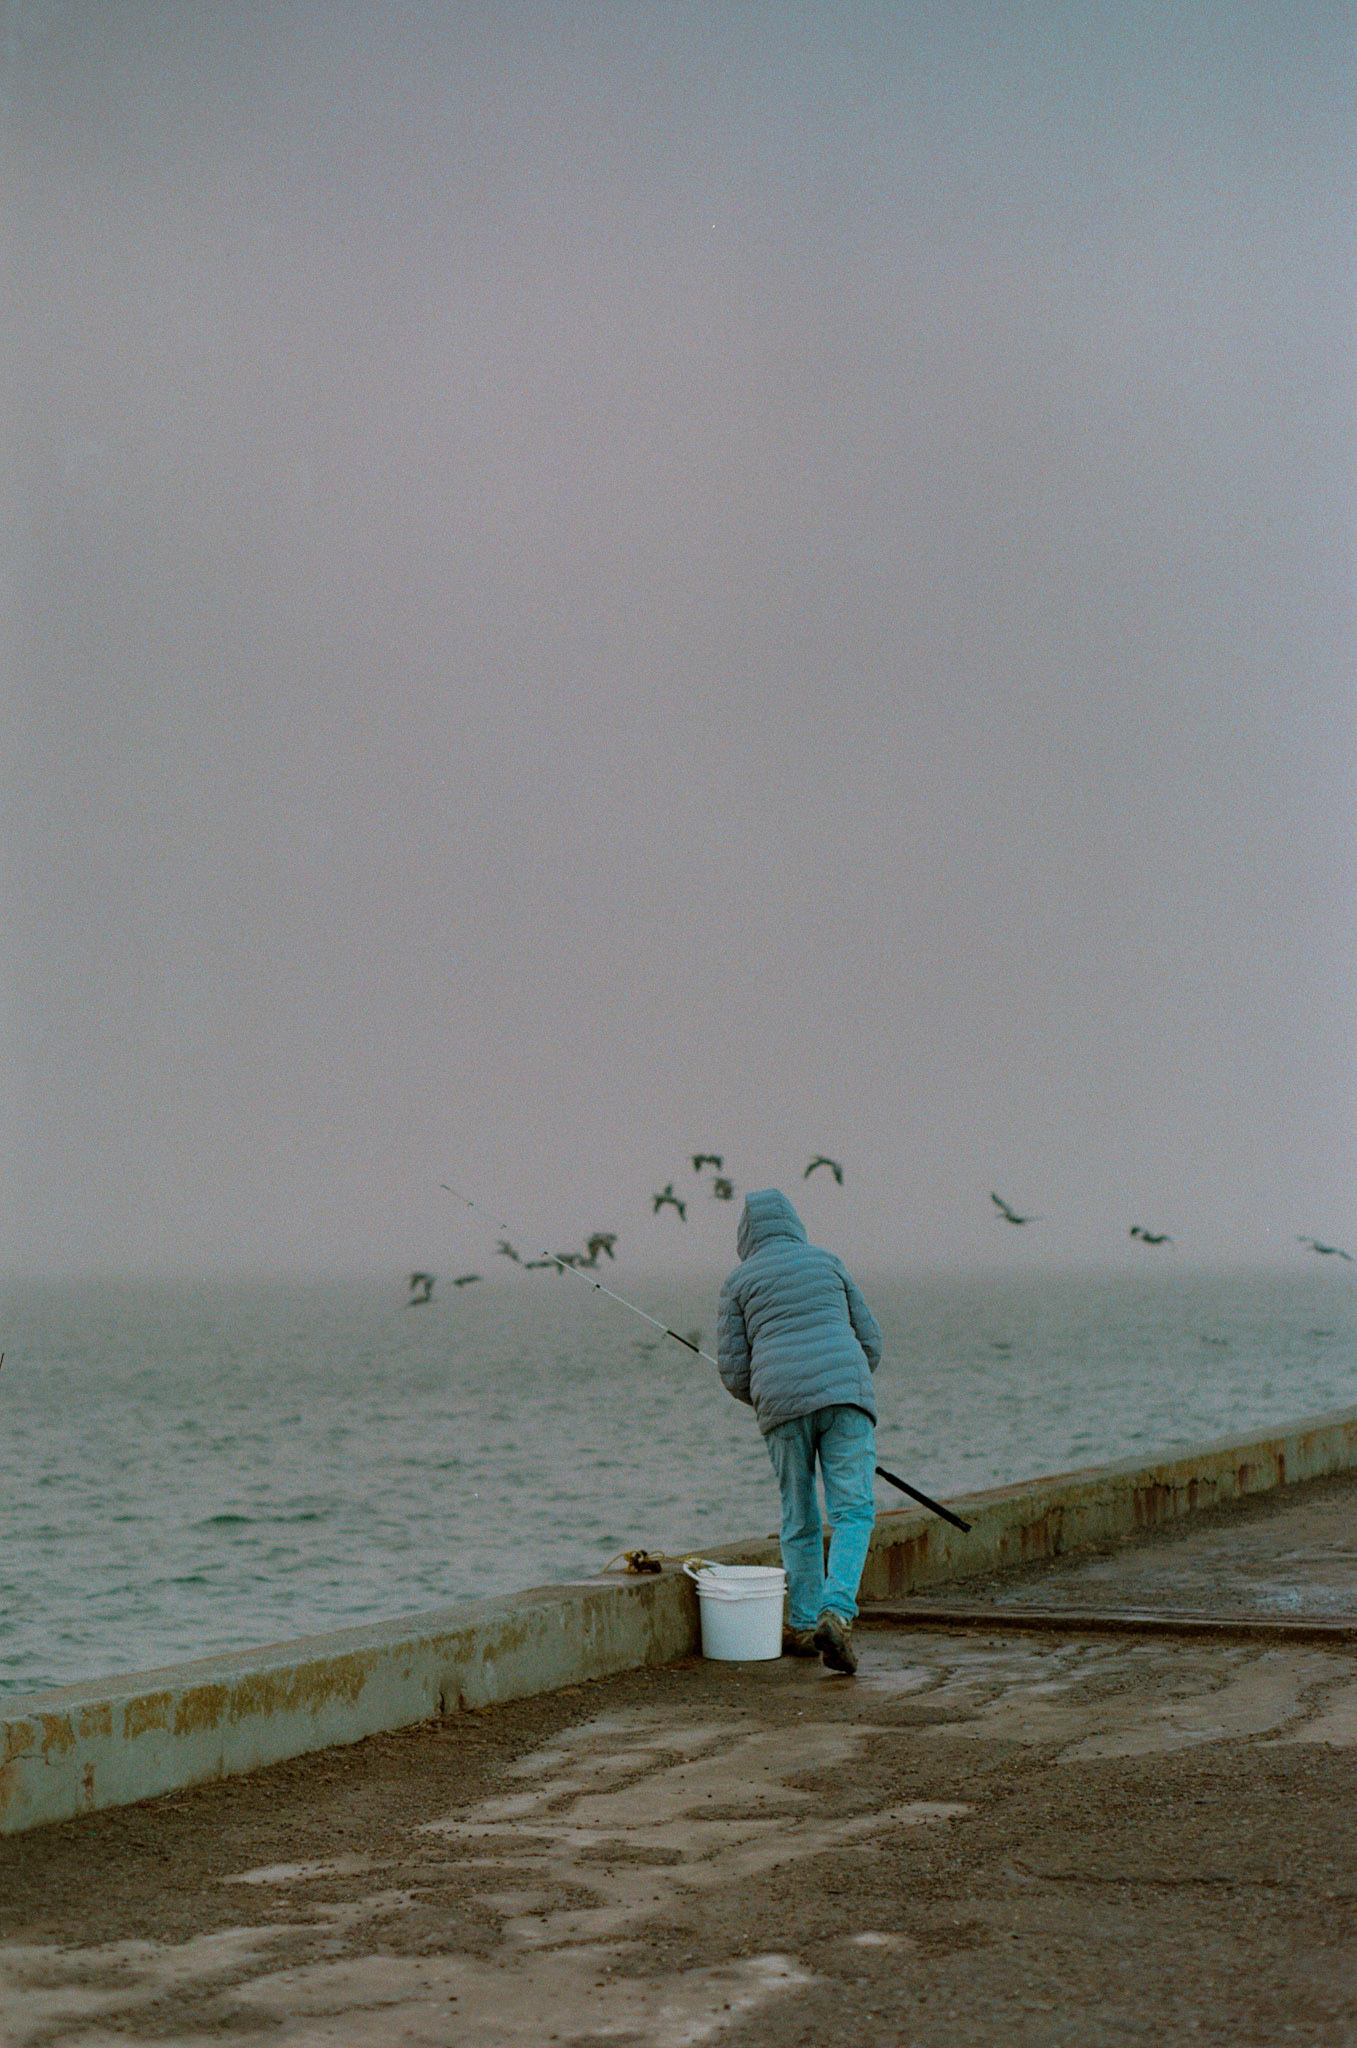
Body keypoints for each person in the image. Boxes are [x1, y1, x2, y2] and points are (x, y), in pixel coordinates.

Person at [717, 1187, 882, 1674]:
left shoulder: (738, 1282)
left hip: (782, 1406)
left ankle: (806, 1622)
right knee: (853, 1511)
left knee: (799, 1514)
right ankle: (837, 1612)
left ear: (745, 1235)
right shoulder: (827, 1262)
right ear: (793, 1223)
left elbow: (733, 1371)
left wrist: (771, 1395)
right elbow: (870, 1339)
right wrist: (845, 1383)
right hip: (846, 1396)